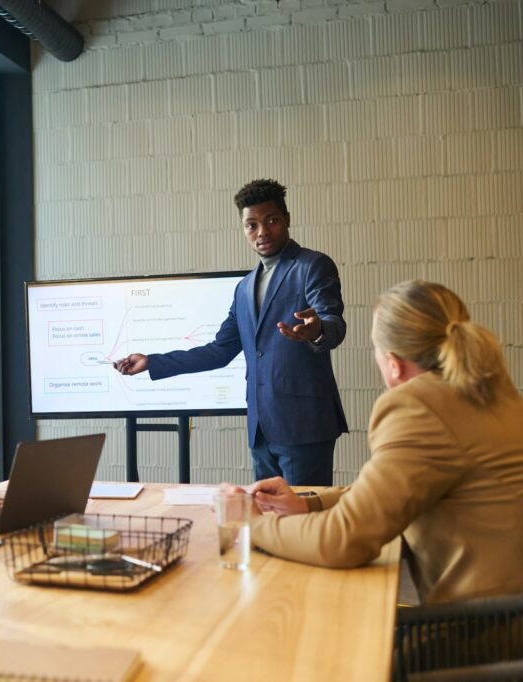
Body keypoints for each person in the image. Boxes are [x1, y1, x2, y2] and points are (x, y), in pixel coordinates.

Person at [243, 280, 523, 604]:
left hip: (483, 636)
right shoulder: (493, 394)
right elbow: (397, 485)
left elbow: (343, 540)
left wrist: (245, 526)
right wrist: (308, 504)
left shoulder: (418, 405)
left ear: (394, 363)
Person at [114, 178, 347, 485]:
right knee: (263, 523)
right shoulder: (244, 287)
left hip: (304, 426)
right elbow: (219, 351)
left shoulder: (312, 266)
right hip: (261, 430)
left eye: (271, 221)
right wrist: (152, 362)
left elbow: (333, 323)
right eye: (251, 225)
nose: (262, 232)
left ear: (287, 220)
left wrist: (316, 331)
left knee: (304, 524)